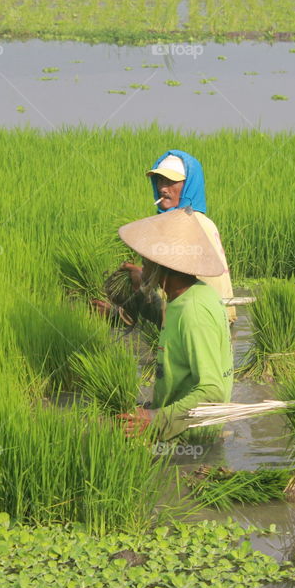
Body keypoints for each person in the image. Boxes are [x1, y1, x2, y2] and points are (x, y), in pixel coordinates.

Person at [115, 207, 234, 442]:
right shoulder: (190, 295)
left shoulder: (194, 311)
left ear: (165, 265)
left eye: (147, 263)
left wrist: (154, 418)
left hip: (189, 437)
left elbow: (212, 392)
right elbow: (170, 326)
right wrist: (141, 291)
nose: (143, 267)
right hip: (176, 424)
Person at [122, 150, 237, 325]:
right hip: (217, 313)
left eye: (171, 182)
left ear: (189, 185)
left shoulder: (183, 225)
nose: (163, 188)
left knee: (137, 284)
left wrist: (139, 276)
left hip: (197, 316)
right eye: (160, 180)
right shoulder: (202, 220)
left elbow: (163, 281)